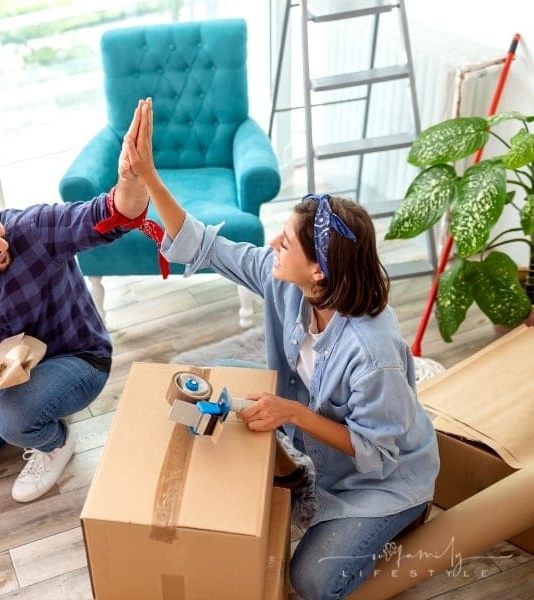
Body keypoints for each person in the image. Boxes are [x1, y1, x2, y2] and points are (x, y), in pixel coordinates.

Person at [124, 99, 438, 599]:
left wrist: (290, 411)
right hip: (327, 455)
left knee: (310, 581)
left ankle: (403, 517)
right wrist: (149, 178)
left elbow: (377, 452)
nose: (273, 243)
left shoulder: (372, 353)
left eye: (286, 242)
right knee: (218, 374)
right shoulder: (289, 284)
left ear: (319, 271)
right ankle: (294, 478)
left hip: (384, 481)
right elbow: (205, 246)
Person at [0, 100, 153, 503]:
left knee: (12, 418)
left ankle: (55, 440)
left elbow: (115, 215)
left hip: (79, 357)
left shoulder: (33, 229)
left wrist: (131, 179)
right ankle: (33, 412)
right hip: (7, 369)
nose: (0, 243)